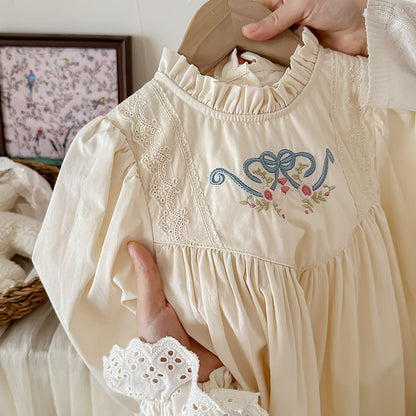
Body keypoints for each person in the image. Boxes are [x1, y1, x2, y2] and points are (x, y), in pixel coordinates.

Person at [33, 0, 416, 415]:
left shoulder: (359, 91)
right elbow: (100, 325)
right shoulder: (126, 153)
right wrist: (184, 377)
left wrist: (363, 23)